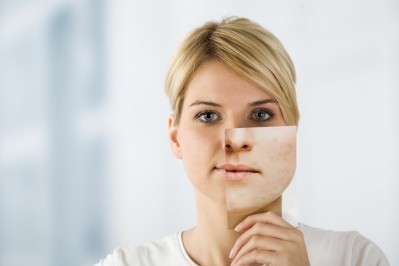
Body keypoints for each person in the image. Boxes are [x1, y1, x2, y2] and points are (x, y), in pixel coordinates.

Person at [95, 17, 389, 266]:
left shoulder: (355, 257)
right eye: (208, 116)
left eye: (261, 114)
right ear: (175, 137)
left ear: (292, 131)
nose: (235, 140)